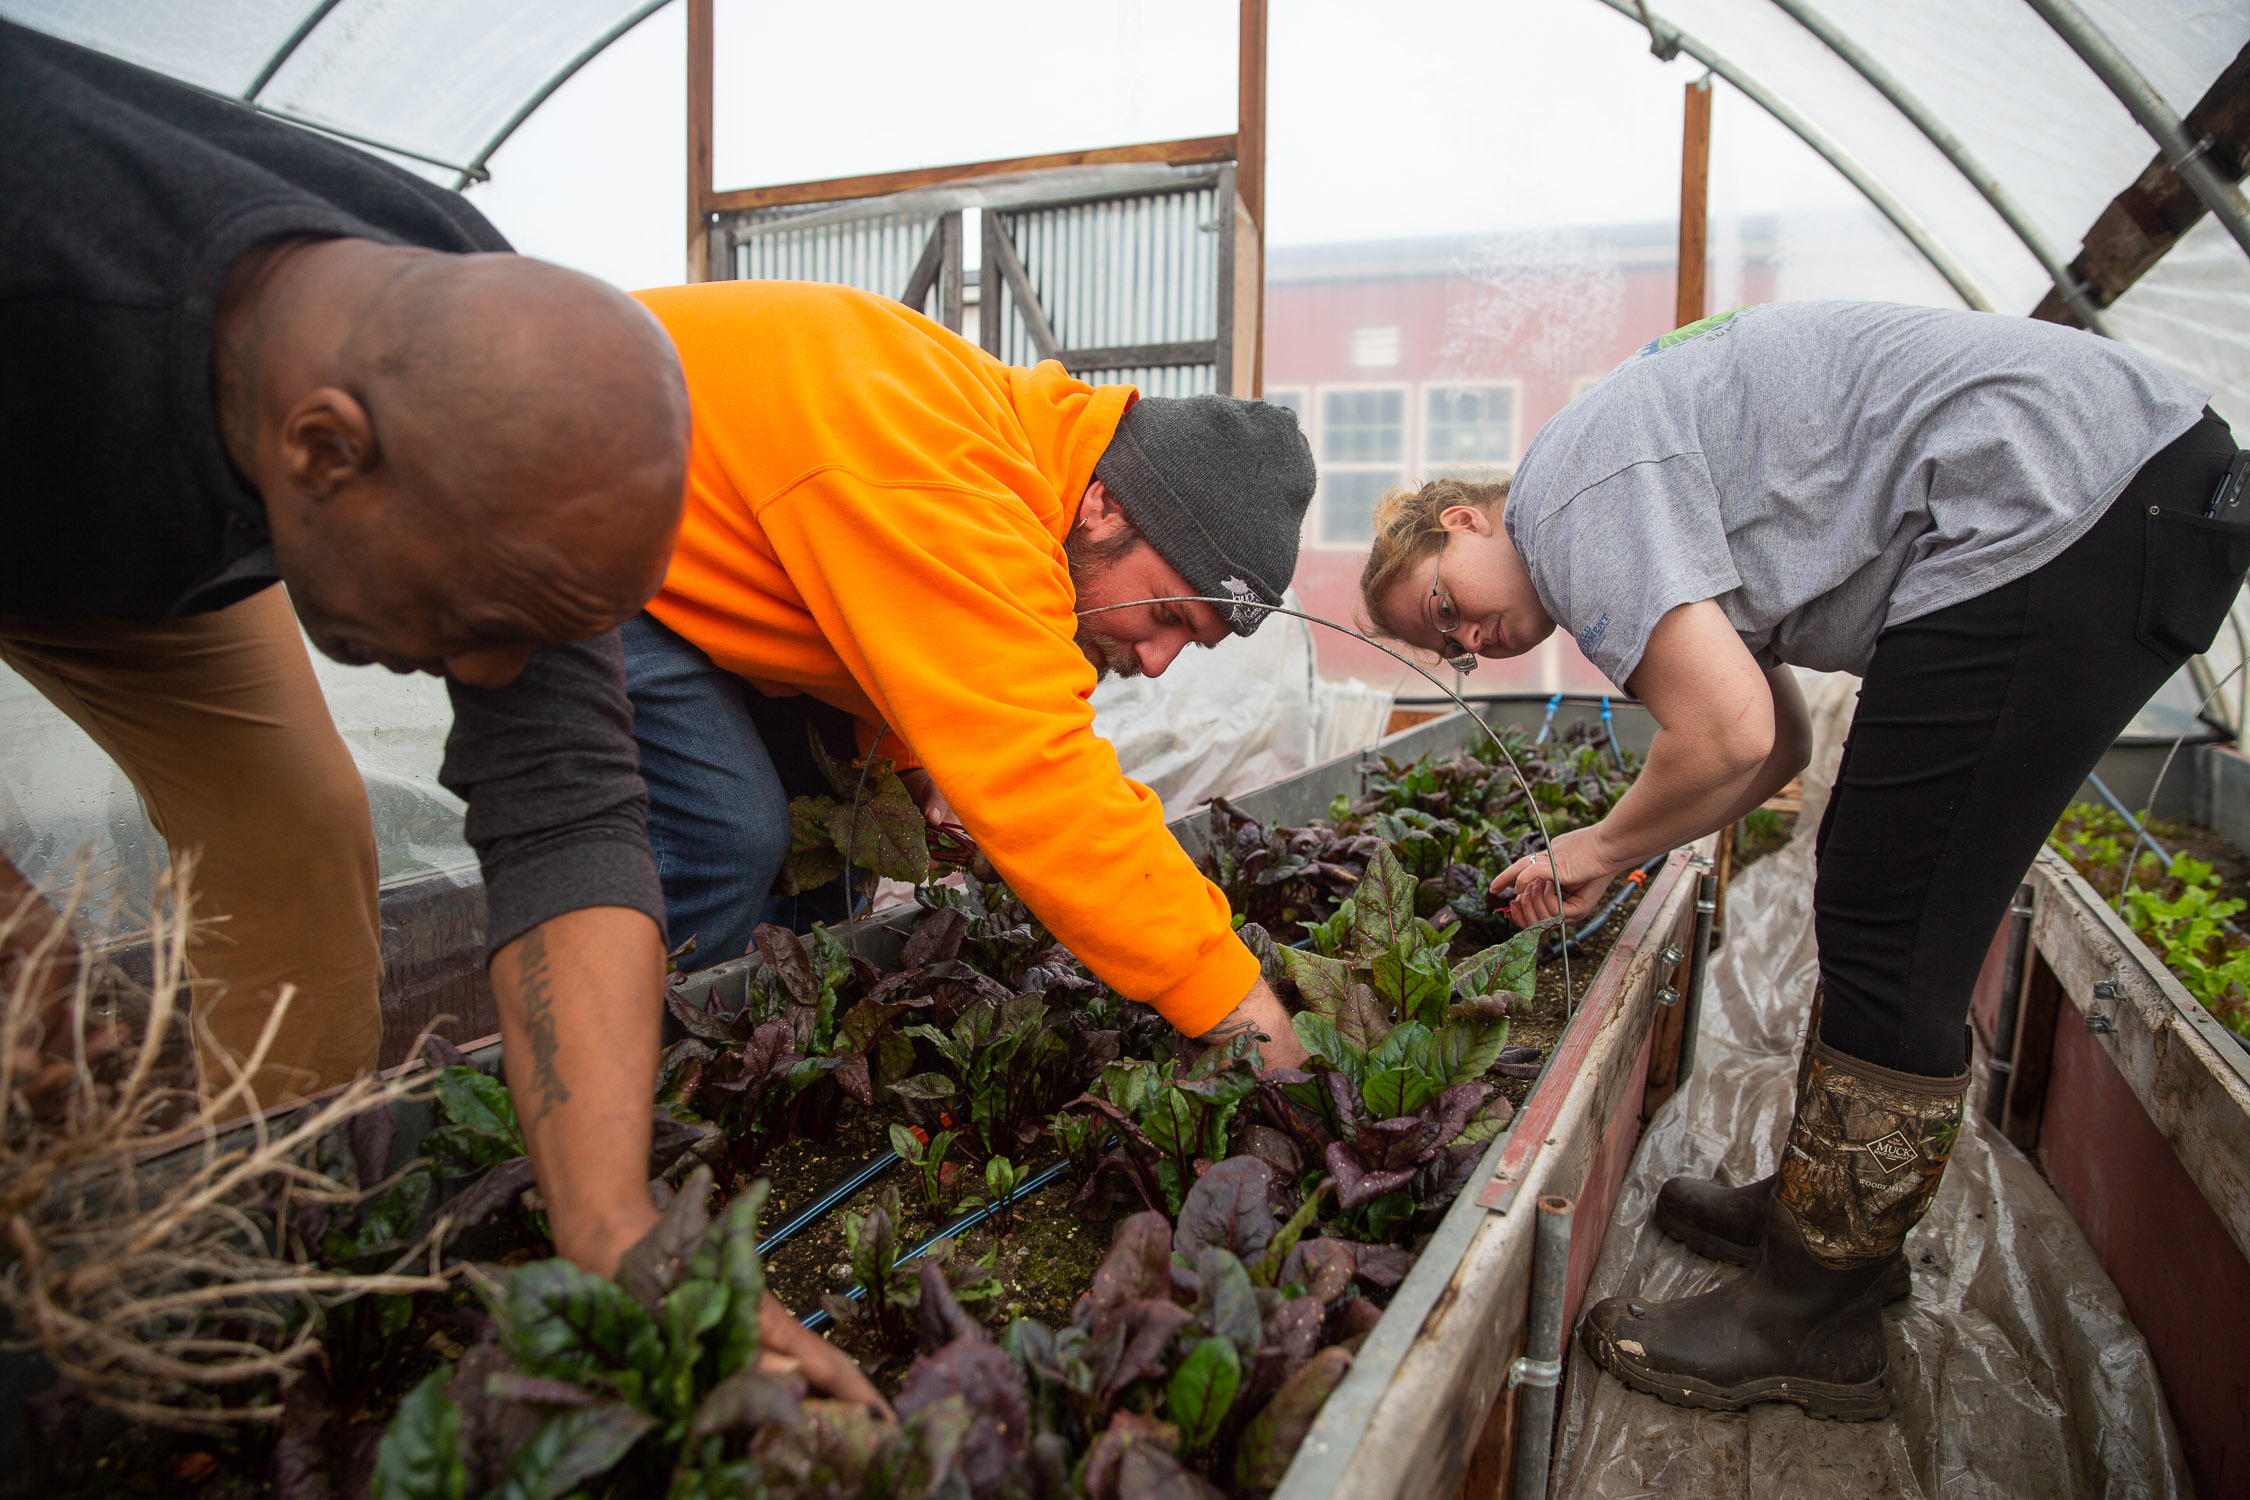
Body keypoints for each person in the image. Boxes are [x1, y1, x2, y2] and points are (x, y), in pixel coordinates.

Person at [0, 21, 880, 1406]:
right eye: (478, 626)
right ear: (325, 452)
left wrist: (611, 1225)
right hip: (57, 435)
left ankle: (261, 1274)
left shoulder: (474, 353)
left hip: (145, 544)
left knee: (294, 830)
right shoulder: (44, 280)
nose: (488, 683)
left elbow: (568, 802)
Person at [1358, 301, 2248, 1419]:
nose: (1470, 641)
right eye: (1448, 647)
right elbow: (1776, 742)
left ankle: (1814, 1314)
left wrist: (1596, 843)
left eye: (1448, 604)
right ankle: (1829, 1224)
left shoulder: (1566, 505)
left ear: (1464, 520)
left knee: (1896, 916)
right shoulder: (1609, 488)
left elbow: (1727, 739)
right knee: (1881, 886)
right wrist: (1624, 846)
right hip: (2113, 486)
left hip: (2066, 501)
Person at [621, 280, 1317, 1064]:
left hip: (692, 541)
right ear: (1106, 507)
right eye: (1167, 615)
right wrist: (1240, 1007)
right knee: (725, 834)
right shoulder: (957, 487)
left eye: (1193, 645)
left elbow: (867, 606)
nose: (1156, 663)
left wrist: (909, 759)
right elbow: (1043, 778)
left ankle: (757, 1073)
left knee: (835, 839)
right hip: (558, 508)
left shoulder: (1016, 454)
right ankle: (616, 1101)